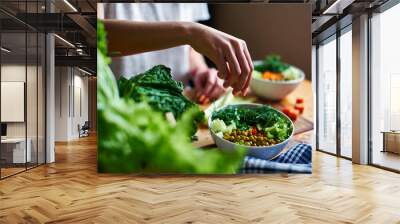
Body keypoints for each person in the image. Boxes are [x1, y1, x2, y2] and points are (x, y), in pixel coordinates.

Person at [100, 3, 253, 100]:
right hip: (121, 106)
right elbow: (96, 34)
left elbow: (189, 49)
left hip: (179, 102)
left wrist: (200, 71)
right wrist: (189, 33)